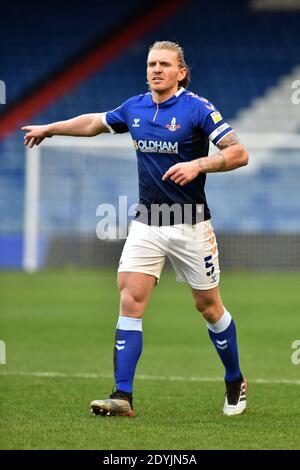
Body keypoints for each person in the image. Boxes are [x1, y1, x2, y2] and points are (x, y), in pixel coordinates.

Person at [22, 41, 249, 417]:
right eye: (151, 64)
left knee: (208, 306)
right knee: (130, 298)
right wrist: (51, 128)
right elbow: (95, 122)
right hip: (147, 222)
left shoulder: (198, 108)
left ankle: (234, 378)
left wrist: (199, 165)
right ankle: (122, 397)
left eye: (164, 64)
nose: (156, 69)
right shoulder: (135, 107)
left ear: (181, 72)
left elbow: (239, 152)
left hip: (191, 226)